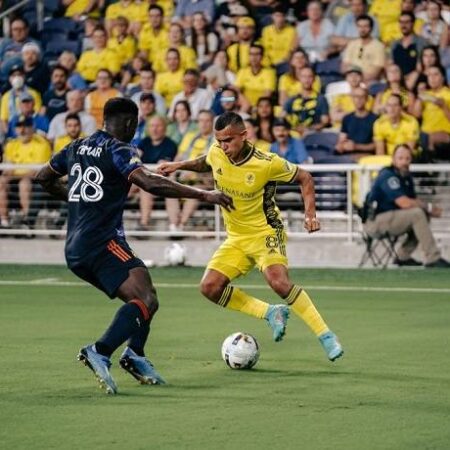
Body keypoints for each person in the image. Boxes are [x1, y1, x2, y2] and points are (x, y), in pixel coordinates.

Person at [35, 98, 233, 394]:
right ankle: (100, 350)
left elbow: (43, 178)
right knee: (146, 300)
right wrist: (205, 196)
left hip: (75, 246)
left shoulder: (75, 146)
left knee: (146, 296)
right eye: (135, 124)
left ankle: (135, 355)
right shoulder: (120, 148)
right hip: (101, 241)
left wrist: (82, 199)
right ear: (129, 123)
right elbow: (150, 183)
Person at [157, 111, 344, 362]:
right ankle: (270, 313)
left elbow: (305, 178)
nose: (223, 147)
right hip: (236, 237)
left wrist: (310, 214)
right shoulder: (217, 152)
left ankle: (326, 335)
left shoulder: (267, 162)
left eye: (228, 141)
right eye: (219, 141)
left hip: (265, 230)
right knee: (209, 288)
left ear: (244, 136)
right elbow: (207, 160)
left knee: (278, 282)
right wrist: (179, 165)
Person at [364, 143, 450, 268]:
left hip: (391, 219)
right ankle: (433, 257)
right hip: (374, 222)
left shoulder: (406, 177)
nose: (404, 162)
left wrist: (427, 210)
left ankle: (403, 256)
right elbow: (404, 203)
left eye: (407, 158)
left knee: (422, 214)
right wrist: (429, 207)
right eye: (400, 158)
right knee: (417, 214)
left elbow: (413, 200)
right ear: (393, 159)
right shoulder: (388, 176)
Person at [0, 116, 51, 228]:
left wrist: (14, 174)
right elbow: (8, 169)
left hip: (35, 181)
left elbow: (36, 172)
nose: (22, 130)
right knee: (1, 181)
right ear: (15, 129)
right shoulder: (11, 144)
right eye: (19, 127)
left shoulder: (42, 144)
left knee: (24, 183)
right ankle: (4, 221)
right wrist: (8, 176)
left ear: (32, 128)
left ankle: (27, 221)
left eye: (26, 126)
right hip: (15, 178)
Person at [341, 14, 386, 83]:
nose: (362, 29)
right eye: (360, 26)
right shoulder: (352, 44)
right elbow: (344, 66)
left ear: (371, 28)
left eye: (365, 26)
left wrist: (357, 80)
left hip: (369, 82)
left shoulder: (378, 46)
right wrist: (352, 79)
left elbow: (376, 72)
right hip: (350, 81)